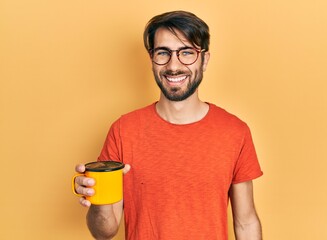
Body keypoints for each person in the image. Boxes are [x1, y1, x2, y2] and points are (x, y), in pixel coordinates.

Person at [74, 10, 263, 240]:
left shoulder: (235, 132)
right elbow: (104, 232)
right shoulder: (124, 131)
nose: (174, 65)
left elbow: (246, 222)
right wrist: (98, 198)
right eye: (163, 53)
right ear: (152, 59)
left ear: (204, 60)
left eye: (187, 53)